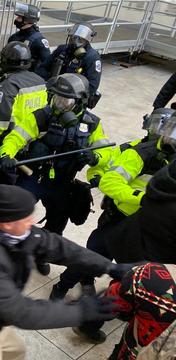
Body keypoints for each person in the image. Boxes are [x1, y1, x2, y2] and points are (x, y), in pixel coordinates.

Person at [0, 184, 131, 360]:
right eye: (26, 218)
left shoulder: (7, 226)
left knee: (16, 351)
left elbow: (54, 245)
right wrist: (80, 311)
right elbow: (21, 312)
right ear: (7, 224)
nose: (31, 222)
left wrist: (108, 266)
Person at [50, 108, 175, 301]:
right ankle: (62, 286)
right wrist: (142, 198)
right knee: (92, 258)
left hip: (145, 227)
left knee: (133, 273)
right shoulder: (139, 152)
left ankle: (106, 296)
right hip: (117, 219)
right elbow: (108, 180)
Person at [0, 73, 113, 235]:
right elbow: (16, 137)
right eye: (57, 99)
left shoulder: (93, 124)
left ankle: (42, 256)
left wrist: (95, 158)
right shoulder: (42, 116)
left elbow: (106, 151)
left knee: (56, 225)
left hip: (64, 183)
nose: (59, 105)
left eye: (65, 101)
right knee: (13, 213)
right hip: (35, 177)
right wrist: (6, 155)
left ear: (80, 101)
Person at [0, 41, 47, 199]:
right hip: (31, 141)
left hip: (9, 144)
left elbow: (2, 124)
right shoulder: (40, 81)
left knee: (2, 180)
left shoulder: (8, 87)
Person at [76, 263, 176, 355]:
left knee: (113, 301)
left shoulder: (153, 275)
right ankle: (88, 326)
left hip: (132, 349)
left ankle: (87, 326)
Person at [43, 22, 102, 105]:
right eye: (73, 38)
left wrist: (71, 96)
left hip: (72, 98)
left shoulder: (92, 57)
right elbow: (43, 67)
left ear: (87, 41)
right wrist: (48, 84)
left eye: (80, 40)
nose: (75, 42)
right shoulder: (62, 49)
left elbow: (92, 86)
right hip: (53, 91)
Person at [8, 2, 50, 79]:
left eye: (19, 17)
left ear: (28, 20)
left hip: (27, 79)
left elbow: (46, 64)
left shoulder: (39, 41)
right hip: (12, 74)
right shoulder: (14, 37)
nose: (16, 19)